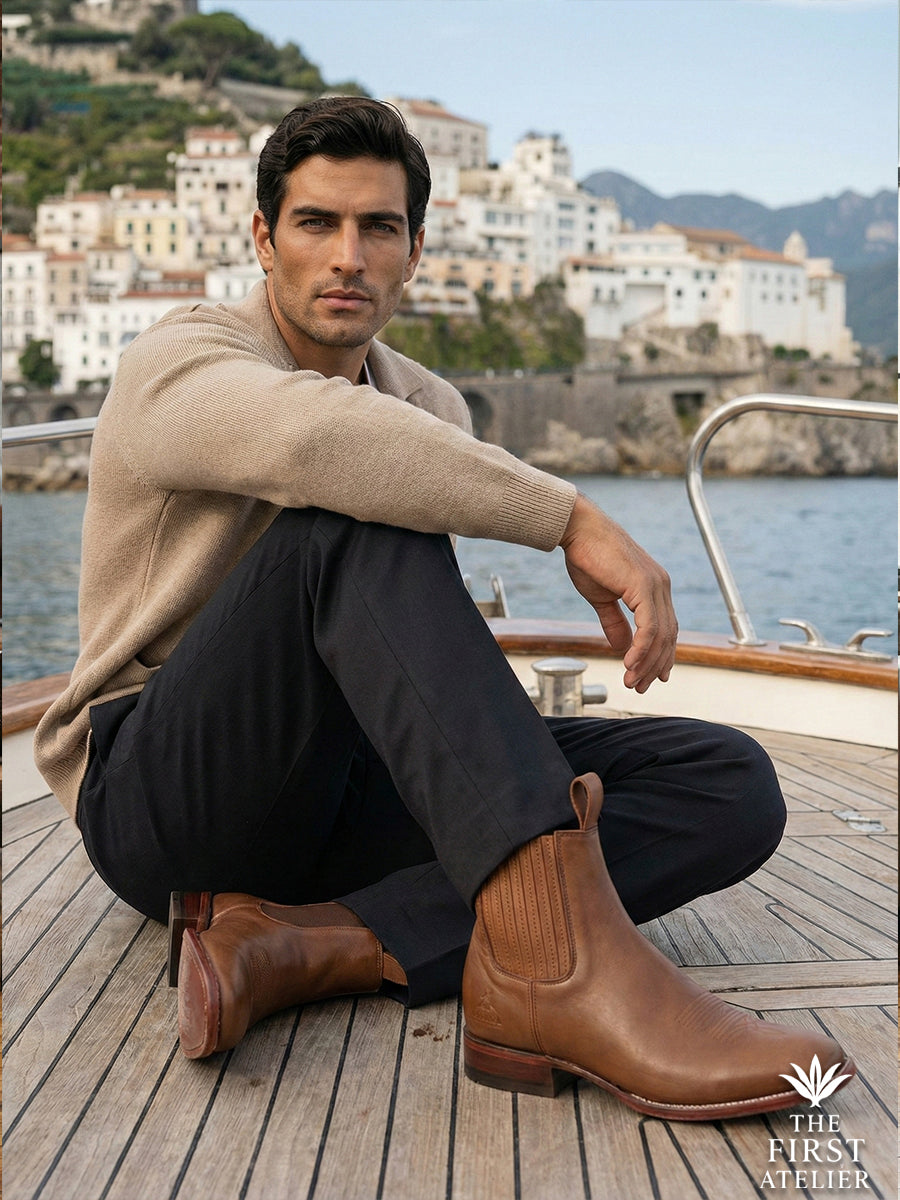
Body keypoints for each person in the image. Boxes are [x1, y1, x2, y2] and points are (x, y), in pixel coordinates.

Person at [34, 97, 852, 1119]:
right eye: (315, 223)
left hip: (336, 785)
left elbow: (398, 644)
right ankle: (559, 974)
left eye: (378, 228)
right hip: (165, 795)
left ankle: (307, 945)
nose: (348, 256)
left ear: (414, 251)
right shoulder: (181, 360)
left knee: (723, 781)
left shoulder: (431, 408)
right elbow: (313, 442)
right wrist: (569, 518)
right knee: (348, 515)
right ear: (261, 238)